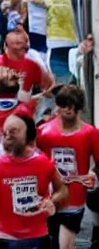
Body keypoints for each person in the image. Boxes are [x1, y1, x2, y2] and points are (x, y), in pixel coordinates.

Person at [0, 114, 68, 249]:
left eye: (13, 131)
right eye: (5, 132)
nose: (8, 135)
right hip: (7, 238)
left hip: (38, 237)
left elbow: (63, 190)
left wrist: (52, 200)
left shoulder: (43, 163)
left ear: (27, 135)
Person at [37, 86, 99, 249]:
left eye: (72, 106)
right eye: (64, 105)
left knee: (65, 245)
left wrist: (91, 174)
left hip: (74, 199)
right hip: (49, 198)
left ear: (78, 108)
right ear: (57, 106)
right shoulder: (44, 132)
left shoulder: (90, 134)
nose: (68, 110)